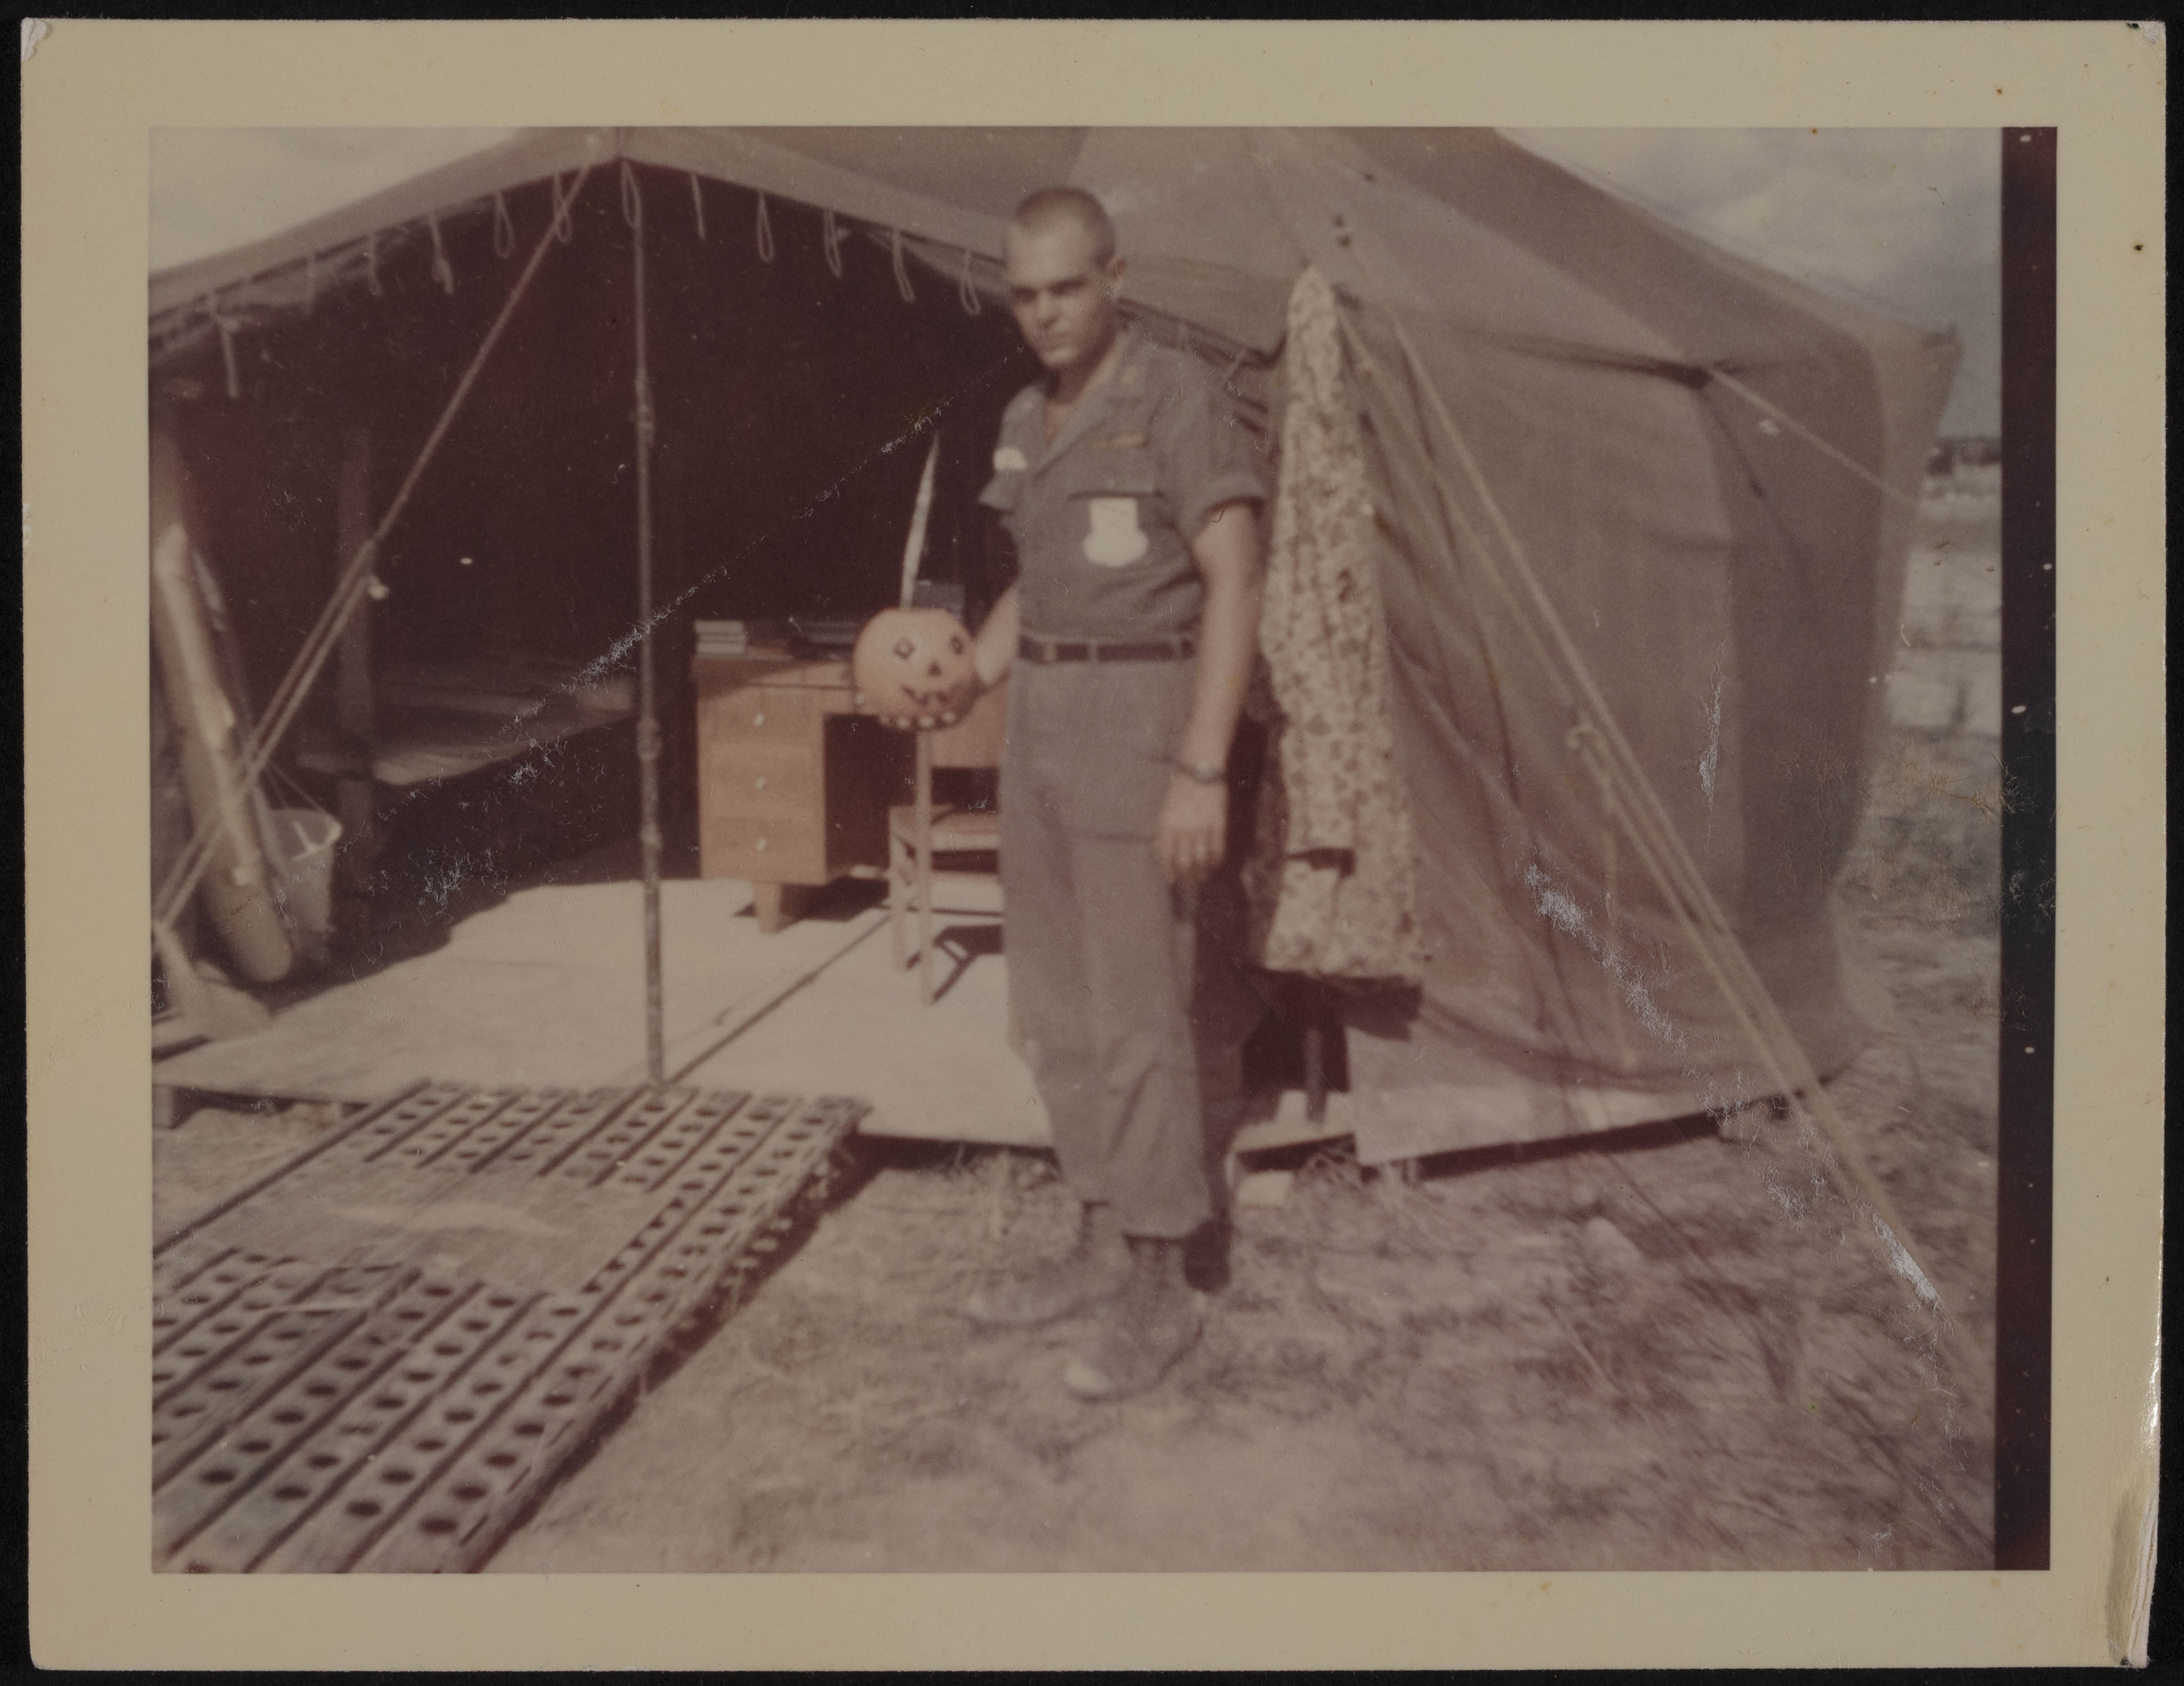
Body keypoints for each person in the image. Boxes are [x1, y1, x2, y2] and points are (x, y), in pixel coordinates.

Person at [879, 186, 1268, 1401]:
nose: (1045, 314)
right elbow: (1033, 587)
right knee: (1053, 1005)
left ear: (1115, 279)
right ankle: (1100, 1240)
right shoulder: (1022, 419)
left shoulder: (1176, 398)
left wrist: (1202, 764)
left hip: (1143, 718)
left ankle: (1164, 1277)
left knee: (1140, 1009)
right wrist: (966, 683)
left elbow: (1237, 579)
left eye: (1068, 287)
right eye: (1025, 294)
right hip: (1041, 720)